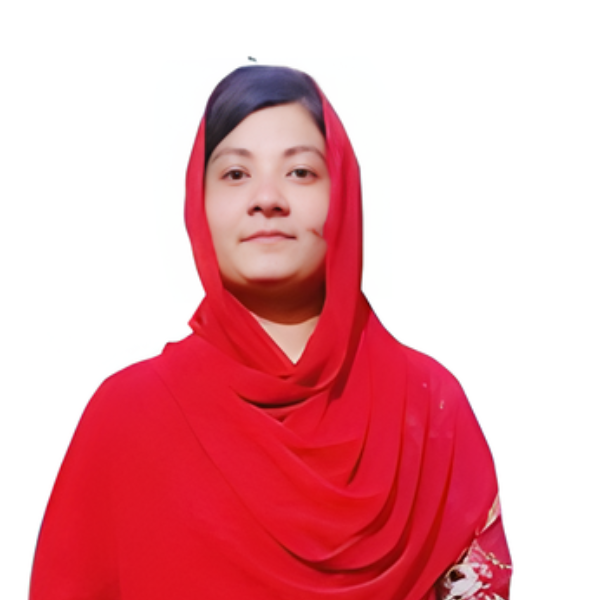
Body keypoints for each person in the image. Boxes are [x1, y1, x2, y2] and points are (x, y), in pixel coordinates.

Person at [30, 65, 512, 599]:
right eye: (236, 174)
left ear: (344, 195)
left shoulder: (429, 408)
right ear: (198, 202)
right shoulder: (127, 416)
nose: (267, 198)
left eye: (300, 172)